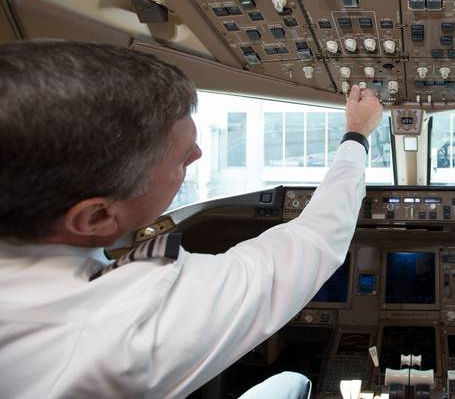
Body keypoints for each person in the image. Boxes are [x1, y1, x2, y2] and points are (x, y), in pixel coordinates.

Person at [0, 40, 383, 398]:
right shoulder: (128, 326)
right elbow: (315, 240)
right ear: (97, 216)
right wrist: (357, 134)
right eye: (181, 157)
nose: (198, 153)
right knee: (293, 381)